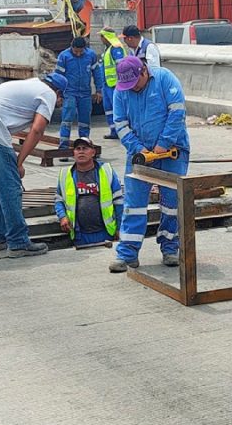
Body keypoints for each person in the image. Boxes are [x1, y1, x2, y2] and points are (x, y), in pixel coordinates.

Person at [0, 74, 67, 258]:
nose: (60, 103)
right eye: (62, 99)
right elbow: (38, 129)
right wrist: (19, 162)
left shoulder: (30, 85)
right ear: (59, 93)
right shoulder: (48, 93)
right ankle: (18, 242)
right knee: (10, 188)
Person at [109, 56, 189, 273]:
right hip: (140, 155)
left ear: (144, 71)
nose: (132, 88)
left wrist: (164, 143)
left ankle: (170, 248)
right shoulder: (121, 90)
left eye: (135, 83)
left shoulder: (164, 79)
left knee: (172, 204)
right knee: (133, 204)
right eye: (128, 86)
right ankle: (127, 254)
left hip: (173, 152)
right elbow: (121, 124)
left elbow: (177, 113)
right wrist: (137, 148)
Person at [54, 137, 124, 247]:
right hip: (79, 235)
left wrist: (120, 228)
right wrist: (62, 216)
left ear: (93, 152)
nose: (81, 151)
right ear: (74, 153)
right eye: (78, 148)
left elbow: (119, 201)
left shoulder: (106, 171)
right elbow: (59, 199)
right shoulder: (65, 174)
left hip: (106, 233)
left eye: (85, 148)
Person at [55, 36, 103, 149]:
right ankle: (63, 147)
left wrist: (99, 90)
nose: (78, 54)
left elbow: (97, 73)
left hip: (85, 94)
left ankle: (84, 145)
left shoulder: (91, 55)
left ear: (84, 49)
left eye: (81, 51)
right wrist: (59, 94)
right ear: (72, 47)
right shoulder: (64, 56)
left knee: (85, 121)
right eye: (76, 51)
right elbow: (58, 77)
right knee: (67, 119)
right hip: (69, 93)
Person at [97, 27, 127, 139]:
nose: (100, 38)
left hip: (115, 85)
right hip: (107, 85)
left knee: (117, 109)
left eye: (102, 36)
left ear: (106, 37)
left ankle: (121, 131)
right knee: (108, 109)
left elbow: (122, 66)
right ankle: (114, 131)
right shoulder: (108, 49)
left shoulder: (116, 48)